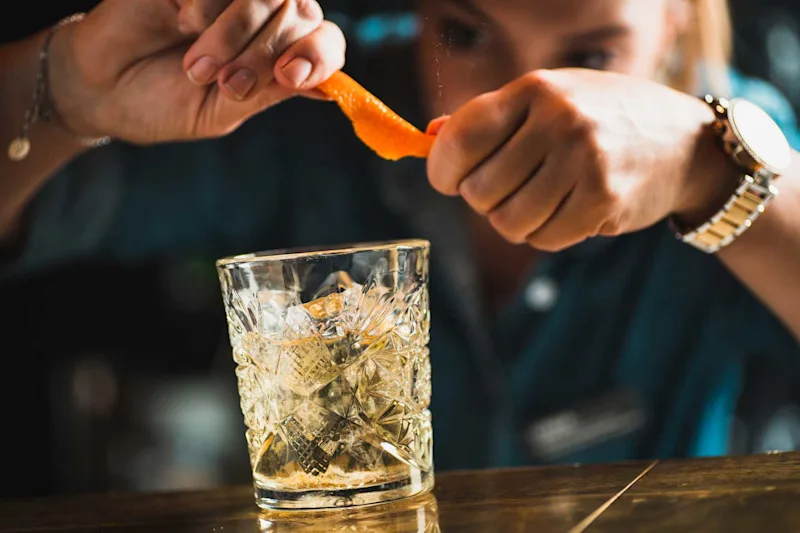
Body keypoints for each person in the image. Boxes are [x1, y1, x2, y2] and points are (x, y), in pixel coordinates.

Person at [1, 0, 799, 477]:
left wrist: (709, 169)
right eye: (465, 33)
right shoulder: (294, 111)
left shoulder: (736, 138)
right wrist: (65, 90)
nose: (514, 98)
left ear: (677, 24)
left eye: (592, 54)